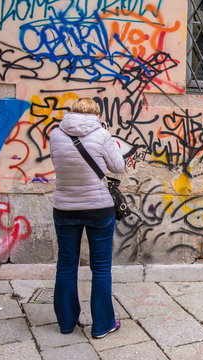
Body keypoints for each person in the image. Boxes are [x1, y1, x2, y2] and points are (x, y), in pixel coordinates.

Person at [49, 98, 125, 338]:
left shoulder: (55, 134)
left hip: (64, 207)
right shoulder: (101, 135)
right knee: (101, 268)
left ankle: (66, 323)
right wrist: (109, 137)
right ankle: (102, 325)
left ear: (71, 113)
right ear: (96, 114)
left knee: (66, 264)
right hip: (98, 208)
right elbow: (118, 167)